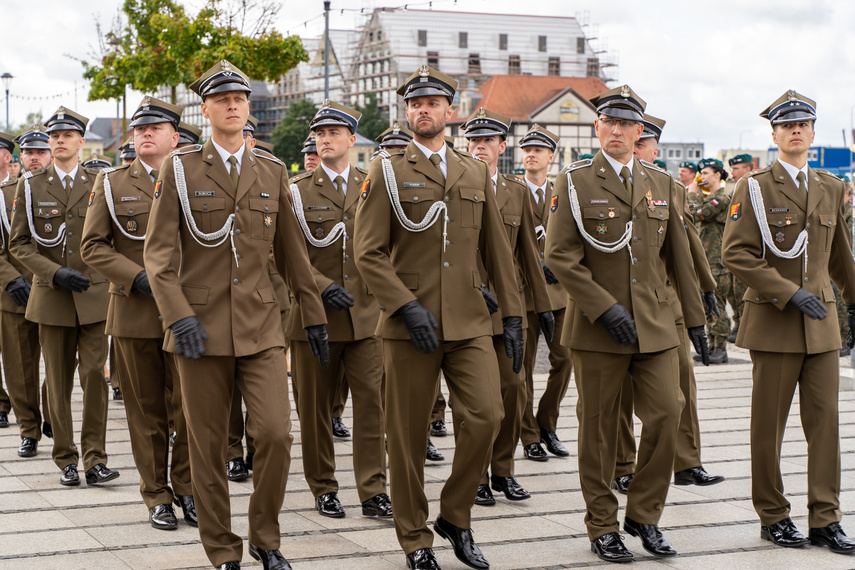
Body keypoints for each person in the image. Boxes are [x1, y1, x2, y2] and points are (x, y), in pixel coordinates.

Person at [143, 59, 329, 570]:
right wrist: (176, 315)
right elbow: (158, 256)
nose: (232, 105)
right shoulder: (178, 170)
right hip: (197, 327)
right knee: (205, 445)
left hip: (261, 323)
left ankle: (266, 539)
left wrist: (313, 317)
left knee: (274, 434)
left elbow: (292, 254)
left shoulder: (271, 170)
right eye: (222, 99)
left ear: (249, 110)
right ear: (204, 109)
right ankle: (223, 549)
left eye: (240, 99)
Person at [354, 64, 524, 570]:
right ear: (407, 113)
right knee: (406, 436)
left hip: (470, 320)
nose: (422, 110)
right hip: (411, 325)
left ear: (450, 112)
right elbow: (368, 252)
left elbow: (497, 249)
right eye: (414, 104)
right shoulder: (384, 170)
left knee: (487, 417)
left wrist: (512, 315)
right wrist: (404, 305)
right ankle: (414, 538)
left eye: (431, 103)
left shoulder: (472, 171)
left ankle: (456, 514)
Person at [545, 85, 708, 563]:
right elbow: (559, 254)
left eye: (626, 124)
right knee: (597, 430)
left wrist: (695, 320)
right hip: (599, 328)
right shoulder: (573, 182)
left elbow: (679, 255)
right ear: (598, 128)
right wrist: (603, 307)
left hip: (655, 324)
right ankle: (602, 525)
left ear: (640, 132)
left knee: (667, 411)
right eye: (608, 122)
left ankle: (644, 514)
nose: (616, 131)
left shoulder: (661, 184)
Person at [722, 89, 855, 555]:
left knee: (826, 427)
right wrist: (789, 292)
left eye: (803, 124)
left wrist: (854, 302)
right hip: (776, 323)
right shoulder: (754, 186)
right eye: (786, 125)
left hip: (820, 327)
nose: (795, 130)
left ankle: (825, 518)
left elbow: (839, 254)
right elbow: (734, 253)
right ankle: (773, 515)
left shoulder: (831, 186)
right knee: (768, 429)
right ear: (774, 134)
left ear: (813, 133)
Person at [81, 96, 196, 531]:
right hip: (135, 312)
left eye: (154, 128)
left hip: (187, 311)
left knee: (189, 408)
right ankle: (157, 495)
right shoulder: (112, 183)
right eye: (138, 129)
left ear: (174, 135)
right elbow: (92, 246)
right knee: (145, 410)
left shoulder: (195, 178)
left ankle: (186, 487)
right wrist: (137, 278)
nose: (144, 134)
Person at [289, 100, 390, 520]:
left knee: (372, 406)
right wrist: (323, 287)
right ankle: (323, 487)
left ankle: (372, 489)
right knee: (315, 410)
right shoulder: (295, 191)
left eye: (334, 133)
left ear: (352, 139)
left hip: (366, 317)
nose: (325, 140)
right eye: (320, 134)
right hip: (315, 319)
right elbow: (286, 255)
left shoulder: (373, 185)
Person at [612, 114, 723, 496]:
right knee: (623, 391)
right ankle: (623, 464)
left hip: (666, 302)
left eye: (644, 144)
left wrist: (706, 288)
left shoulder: (669, 187)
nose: (637, 149)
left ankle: (687, 462)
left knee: (681, 387)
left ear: (654, 148)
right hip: (622, 303)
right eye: (634, 143)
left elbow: (688, 242)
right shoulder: (604, 182)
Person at [9, 107, 116, 487]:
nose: (59, 140)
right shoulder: (31, 185)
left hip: (94, 296)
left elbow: (109, 237)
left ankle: (96, 458)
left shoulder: (101, 181)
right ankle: (66, 458)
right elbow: (19, 243)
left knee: (93, 376)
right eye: (55, 136)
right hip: (52, 297)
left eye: (68, 135)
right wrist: (54, 272)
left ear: (80, 141)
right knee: (57, 381)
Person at [461, 108, 553, 508]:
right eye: (473, 141)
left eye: (487, 141)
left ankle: (504, 469)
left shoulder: (515, 191)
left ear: (502, 147)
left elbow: (528, 254)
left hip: (511, 306)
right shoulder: (456, 183)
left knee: (515, 389)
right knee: (478, 400)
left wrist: (544, 307)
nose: (479, 147)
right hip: (467, 304)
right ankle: (477, 476)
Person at [519, 124, 574, 463]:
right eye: (527, 149)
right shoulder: (510, 190)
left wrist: (560, 263)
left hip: (559, 292)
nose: (531, 155)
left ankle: (547, 423)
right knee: (521, 368)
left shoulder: (563, 191)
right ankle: (528, 435)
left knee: (565, 360)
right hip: (524, 292)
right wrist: (537, 263)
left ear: (551, 157)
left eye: (538, 150)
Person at [0, 127, 50, 455]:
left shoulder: (73, 189)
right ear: (19, 156)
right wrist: (8, 278)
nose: (34, 157)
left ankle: (54, 416)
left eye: (40, 151)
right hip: (14, 290)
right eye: (28, 152)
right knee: (20, 367)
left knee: (65, 365)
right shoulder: (4, 194)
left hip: (58, 291)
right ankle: (29, 429)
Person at [689, 158, 732, 364]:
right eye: (701, 173)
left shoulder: (721, 198)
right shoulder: (709, 198)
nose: (701, 177)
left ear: (717, 174)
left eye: (705, 173)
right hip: (706, 260)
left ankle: (721, 348)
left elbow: (699, 214)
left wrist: (690, 193)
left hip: (717, 261)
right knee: (707, 306)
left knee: (718, 306)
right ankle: (712, 346)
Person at [726, 153, 754, 341]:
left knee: (745, 294)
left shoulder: (755, 187)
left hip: (750, 252)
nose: (732, 172)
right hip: (734, 251)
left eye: (736, 168)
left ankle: (748, 328)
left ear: (748, 169)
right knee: (735, 294)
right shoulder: (735, 190)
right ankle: (739, 324)